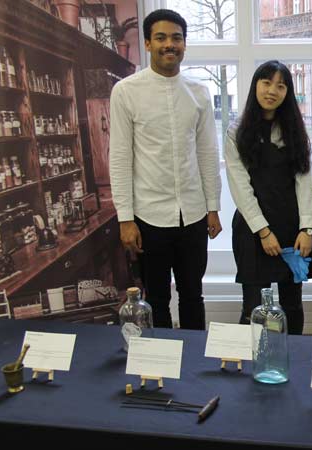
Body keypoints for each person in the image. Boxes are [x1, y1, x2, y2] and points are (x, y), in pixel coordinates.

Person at [109, 9, 221, 330]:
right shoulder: (126, 91)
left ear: (184, 44)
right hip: (149, 216)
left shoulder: (199, 92)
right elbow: (119, 157)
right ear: (147, 43)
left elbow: (207, 153)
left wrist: (213, 207)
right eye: (161, 38)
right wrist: (125, 218)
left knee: (192, 295)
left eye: (176, 38)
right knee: (156, 298)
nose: (169, 44)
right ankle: (161, 366)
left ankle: (193, 366)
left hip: (194, 214)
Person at [225, 61, 312, 334]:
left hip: (291, 231)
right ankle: (251, 368)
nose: (272, 91)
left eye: (281, 85)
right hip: (252, 231)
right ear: (255, 86)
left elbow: (304, 181)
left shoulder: (295, 131)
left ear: (288, 92)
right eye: (266, 82)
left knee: (293, 307)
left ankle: (293, 361)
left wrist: (307, 228)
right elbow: (239, 185)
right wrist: (263, 231)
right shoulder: (235, 131)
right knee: (253, 309)